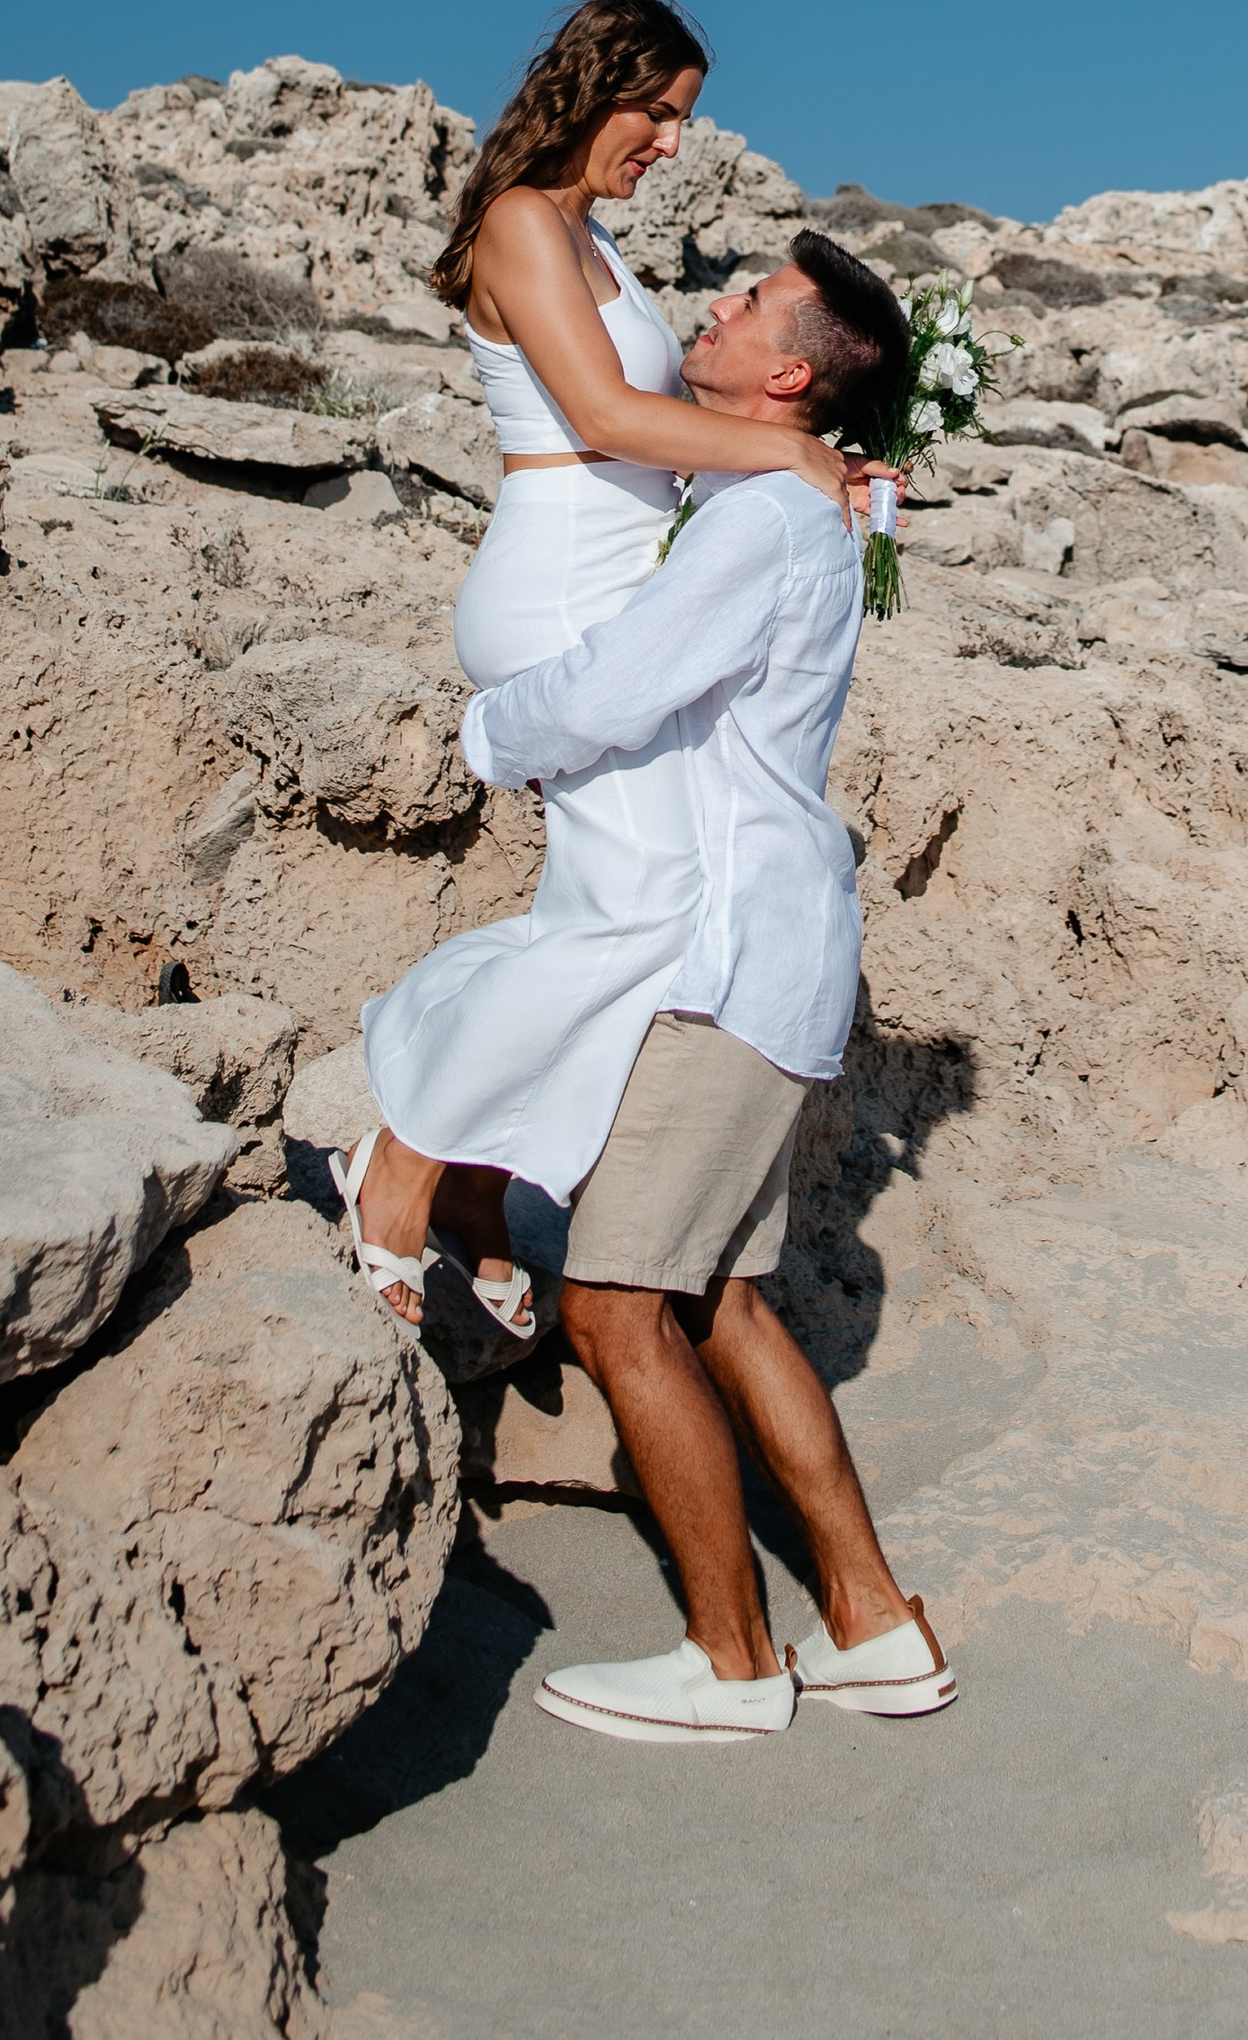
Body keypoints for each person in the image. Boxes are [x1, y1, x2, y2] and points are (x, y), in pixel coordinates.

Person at [455, 233, 956, 1745]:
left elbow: (615, 690)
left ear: (788, 373)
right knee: (725, 1299)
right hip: (784, 953)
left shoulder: (763, 527)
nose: (713, 313)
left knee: (614, 1308)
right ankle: (874, 1625)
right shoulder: (790, 503)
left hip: (728, 960)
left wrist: (490, 730)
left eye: (743, 308)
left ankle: (734, 1662)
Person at [334, 0, 859, 1341]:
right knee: (642, 908)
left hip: (619, 576)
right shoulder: (521, 221)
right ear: (599, 85)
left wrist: (828, 448)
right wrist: (793, 454)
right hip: (559, 572)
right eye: (662, 116)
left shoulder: (591, 236)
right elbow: (610, 414)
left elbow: (680, 405)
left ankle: (473, 1187)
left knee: (628, 903)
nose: (673, 146)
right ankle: (404, 1152)